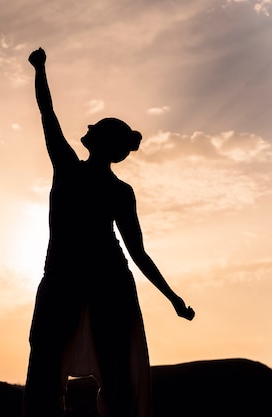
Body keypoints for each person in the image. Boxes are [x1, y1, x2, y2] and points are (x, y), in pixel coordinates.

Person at [23, 47, 195, 417]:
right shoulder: (110, 186)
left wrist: (40, 69)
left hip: (91, 279)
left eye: (94, 128)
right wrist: (173, 298)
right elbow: (138, 253)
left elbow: (47, 112)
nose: (86, 128)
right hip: (83, 278)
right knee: (68, 371)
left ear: (101, 142)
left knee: (59, 373)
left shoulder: (76, 172)